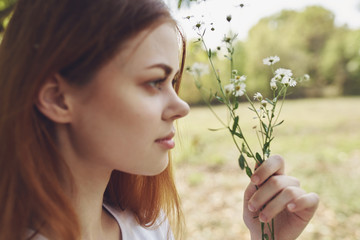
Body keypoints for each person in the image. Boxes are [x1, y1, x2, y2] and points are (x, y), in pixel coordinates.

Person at [0, 0, 319, 239]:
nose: (181, 107)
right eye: (154, 82)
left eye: (174, 81)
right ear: (57, 98)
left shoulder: (148, 228)